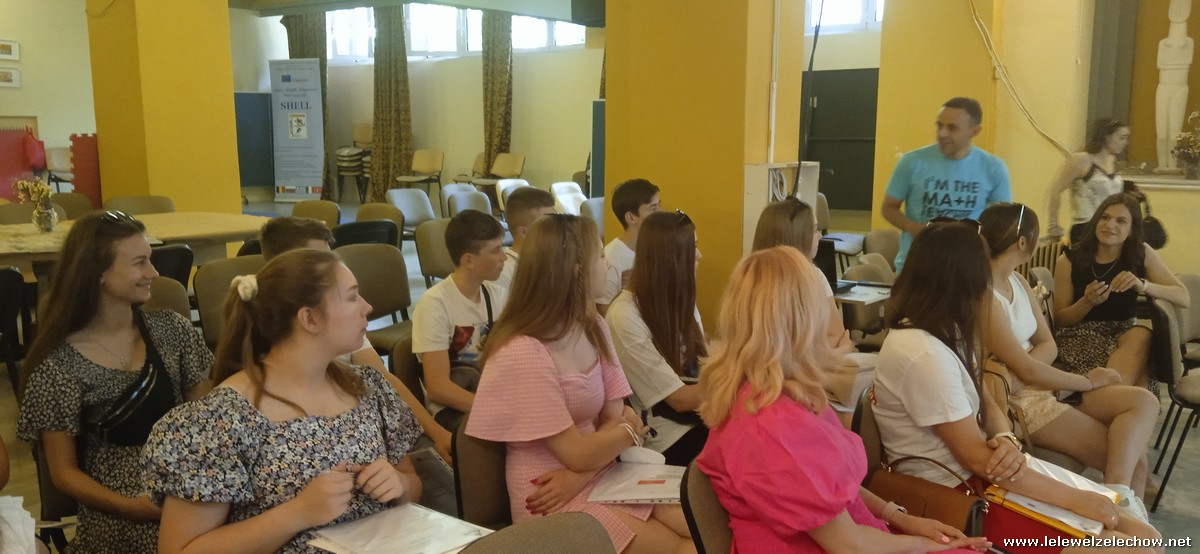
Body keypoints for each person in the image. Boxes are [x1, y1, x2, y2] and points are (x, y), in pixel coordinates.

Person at [873, 220, 1161, 554]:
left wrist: (1004, 435)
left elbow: (982, 395)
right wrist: (1076, 499)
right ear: (964, 279)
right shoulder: (924, 353)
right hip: (959, 492)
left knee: (1146, 536)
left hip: (990, 474)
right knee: (1136, 547)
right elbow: (975, 458)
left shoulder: (945, 329)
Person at [696, 246, 989, 554]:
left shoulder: (776, 391)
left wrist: (900, 518)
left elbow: (834, 489)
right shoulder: (773, 427)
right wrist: (923, 544)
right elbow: (850, 545)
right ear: (804, 322)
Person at [145, 249, 423, 553]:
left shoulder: (366, 387)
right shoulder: (219, 420)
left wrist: (400, 484)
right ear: (309, 318)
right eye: (352, 297)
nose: (367, 307)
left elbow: (412, 485)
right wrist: (298, 513)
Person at [467, 214, 695, 554]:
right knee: (685, 548)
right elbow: (581, 449)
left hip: (594, 476)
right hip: (548, 497)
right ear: (576, 270)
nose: (608, 264)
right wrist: (629, 431)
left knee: (706, 526)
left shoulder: (593, 326)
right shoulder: (523, 350)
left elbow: (613, 418)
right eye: (600, 256)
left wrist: (587, 468)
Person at [17, 210, 213, 553]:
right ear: (98, 273)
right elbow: (63, 473)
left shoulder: (172, 330)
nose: (153, 272)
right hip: (120, 510)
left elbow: (208, 421)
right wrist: (131, 507)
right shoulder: (57, 366)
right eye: (140, 262)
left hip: (187, 486)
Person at [980, 203, 1157, 514]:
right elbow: (1026, 368)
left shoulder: (1017, 281)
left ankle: (1119, 505)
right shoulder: (985, 293)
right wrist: (1087, 381)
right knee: (1136, 463)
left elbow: (1048, 344)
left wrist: (1026, 368)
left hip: (1044, 382)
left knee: (1144, 402)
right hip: (1019, 400)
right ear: (1023, 243)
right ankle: (1123, 520)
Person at [259, 216, 453, 462]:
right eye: (320, 259)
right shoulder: (275, 340)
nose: (332, 266)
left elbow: (382, 377)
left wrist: (436, 433)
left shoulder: (343, 331)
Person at [1053, 193, 1189, 395]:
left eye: (1121, 221)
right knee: (1141, 377)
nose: (1110, 225)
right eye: (1105, 217)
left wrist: (1143, 285)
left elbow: (1183, 296)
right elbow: (1061, 319)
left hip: (1124, 333)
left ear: (1132, 229)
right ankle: (1118, 399)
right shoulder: (1069, 260)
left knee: (1142, 334)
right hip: (1082, 334)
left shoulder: (1141, 253)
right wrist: (1086, 302)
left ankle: (1113, 398)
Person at [606, 210, 708, 465]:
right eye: (692, 247)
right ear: (670, 258)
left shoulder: (681, 297)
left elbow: (702, 366)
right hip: (666, 437)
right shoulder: (624, 316)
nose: (699, 255)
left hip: (700, 418)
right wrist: (741, 380)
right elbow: (680, 400)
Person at [880, 97, 1012, 271]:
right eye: (939, 126)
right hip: (917, 266)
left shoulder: (993, 168)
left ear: (974, 131)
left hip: (967, 267)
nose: (942, 133)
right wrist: (914, 228)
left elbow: (1002, 222)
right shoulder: (911, 162)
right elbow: (888, 207)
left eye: (952, 128)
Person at [411, 209, 508, 431]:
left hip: (491, 397)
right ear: (469, 260)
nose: (504, 257)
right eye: (496, 250)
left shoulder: (498, 295)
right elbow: (438, 388)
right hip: (453, 409)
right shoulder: (435, 304)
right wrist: (498, 410)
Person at [751, 196, 855, 355]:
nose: (820, 236)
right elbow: (778, 351)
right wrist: (842, 349)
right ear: (797, 236)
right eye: (815, 230)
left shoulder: (815, 275)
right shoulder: (750, 280)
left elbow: (836, 336)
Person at [1044, 119, 1135, 243]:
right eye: (1122, 138)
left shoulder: (1112, 160)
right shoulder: (1081, 159)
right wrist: (1053, 225)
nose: (1125, 143)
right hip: (1086, 227)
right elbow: (1056, 189)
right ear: (1107, 137)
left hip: (1110, 228)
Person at [597, 178, 662, 315]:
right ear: (631, 218)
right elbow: (604, 314)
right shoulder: (611, 258)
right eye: (653, 208)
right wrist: (628, 290)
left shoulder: (657, 248)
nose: (661, 213)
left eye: (659, 206)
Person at [495, 186, 556, 290]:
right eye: (548, 224)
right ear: (523, 232)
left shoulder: (552, 262)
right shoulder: (502, 274)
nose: (556, 229)